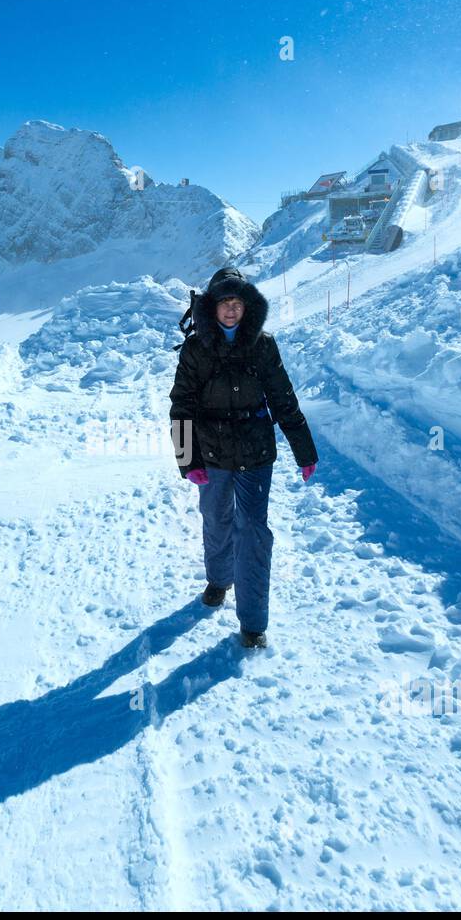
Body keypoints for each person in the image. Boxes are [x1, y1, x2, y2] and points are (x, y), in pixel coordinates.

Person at [168, 266, 318, 649]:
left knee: (252, 532)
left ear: (247, 307)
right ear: (212, 308)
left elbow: (283, 398)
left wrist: (304, 449)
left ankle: (253, 622)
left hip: (255, 452)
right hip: (212, 453)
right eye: (224, 303)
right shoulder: (197, 348)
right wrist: (189, 458)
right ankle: (219, 580)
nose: (231, 310)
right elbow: (181, 405)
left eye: (237, 302)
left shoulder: (262, 345)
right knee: (216, 520)